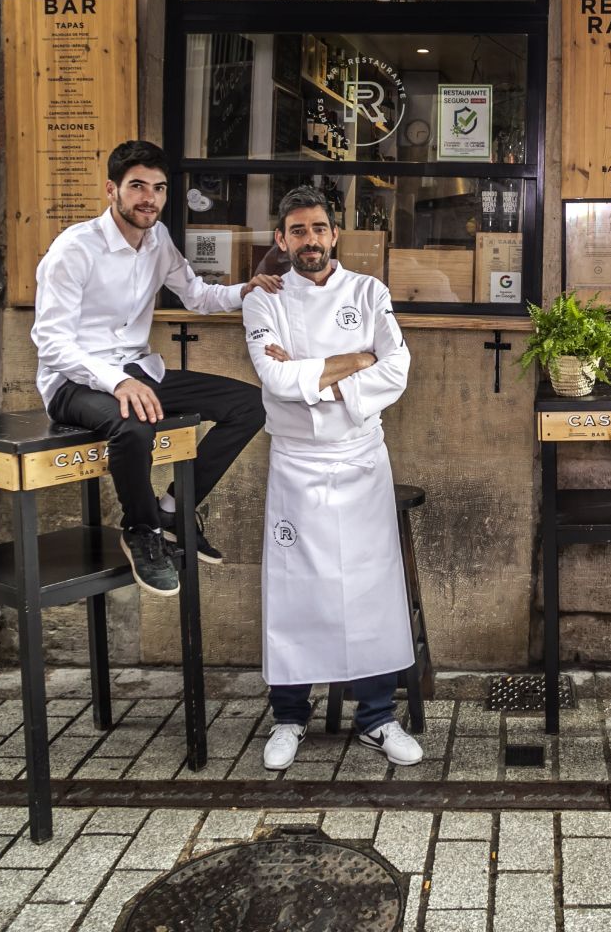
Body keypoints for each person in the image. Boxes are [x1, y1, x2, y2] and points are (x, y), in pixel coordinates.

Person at [32, 139, 277, 597]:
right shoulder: (74, 250)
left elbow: (197, 295)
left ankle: (172, 511)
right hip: (73, 383)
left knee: (251, 404)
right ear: (112, 189)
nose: (150, 198)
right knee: (133, 426)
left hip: (140, 372)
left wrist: (246, 290)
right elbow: (51, 343)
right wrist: (116, 382)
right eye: (138, 186)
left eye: (159, 188)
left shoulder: (158, 239)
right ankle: (141, 531)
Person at [243, 185, 421, 772]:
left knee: (370, 586)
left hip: (360, 456)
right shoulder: (263, 299)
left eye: (318, 228)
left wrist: (312, 378)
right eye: (297, 230)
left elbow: (397, 368)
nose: (310, 240)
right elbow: (275, 379)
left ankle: (377, 717)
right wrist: (356, 361)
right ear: (281, 239)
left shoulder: (369, 292)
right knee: (294, 588)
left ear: (334, 233)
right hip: (295, 461)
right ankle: (289, 717)